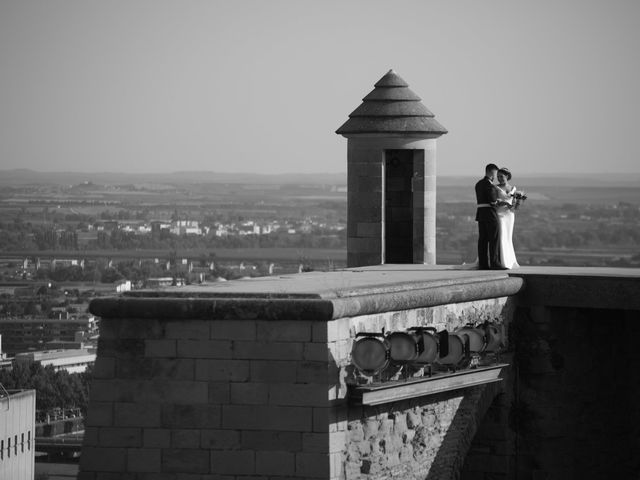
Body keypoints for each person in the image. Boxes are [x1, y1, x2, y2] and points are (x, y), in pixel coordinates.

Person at [474, 163, 501, 270]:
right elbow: (493, 201)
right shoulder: (489, 185)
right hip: (490, 215)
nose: (495, 176)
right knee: (494, 239)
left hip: (481, 215)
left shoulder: (478, 184)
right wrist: (501, 202)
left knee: (483, 240)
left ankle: (483, 264)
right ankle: (495, 263)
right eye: (495, 173)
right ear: (490, 172)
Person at [495, 167, 520, 269]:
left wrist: (518, 202)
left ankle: (509, 261)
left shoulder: (513, 188)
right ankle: (501, 261)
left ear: (507, 177)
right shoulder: (495, 187)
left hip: (509, 215)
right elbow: (494, 203)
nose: (499, 178)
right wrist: (504, 203)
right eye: (498, 177)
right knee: (501, 236)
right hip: (499, 214)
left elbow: (515, 206)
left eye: (501, 176)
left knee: (508, 237)